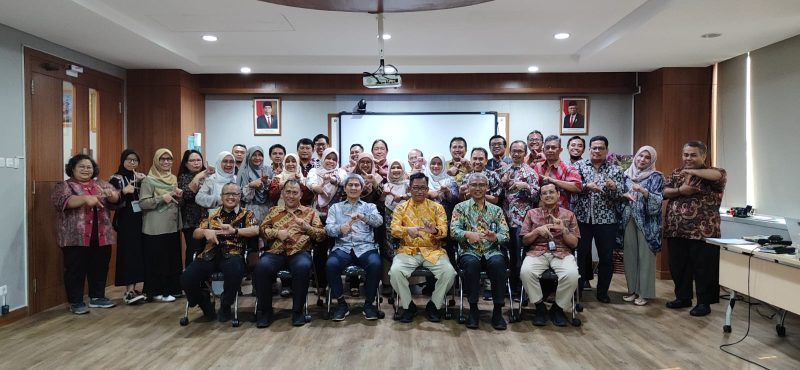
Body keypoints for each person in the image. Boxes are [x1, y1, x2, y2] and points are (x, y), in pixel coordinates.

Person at [663, 141, 726, 317]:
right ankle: (683, 298)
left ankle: (704, 303)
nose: (688, 158)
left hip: (703, 231)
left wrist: (692, 172)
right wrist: (681, 190)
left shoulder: (714, 173)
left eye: (693, 155)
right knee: (678, 266)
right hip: (676, 229)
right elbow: (664, 192)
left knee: (704, 269)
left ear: (703, 156)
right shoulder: (677, 173)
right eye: (686, 155)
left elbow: (718, 176)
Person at [181, 183, 259, 322]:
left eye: (234, 194)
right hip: (210, 253)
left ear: (239, 196)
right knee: (187, 277)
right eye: (227, 194)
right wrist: (206, 231)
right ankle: (204, 303)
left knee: (234, 272)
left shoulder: (247, 213)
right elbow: (195, 233)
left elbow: (255, 230)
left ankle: (225, 304)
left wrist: (235, 231)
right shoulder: (212, 214)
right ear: (221, 197)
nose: (230, 197)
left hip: (233, 254)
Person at [53, 154, 120, 314]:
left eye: (89, 167)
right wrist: (85, 199)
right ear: (73, 169)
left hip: (102, 234)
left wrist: (113, 196)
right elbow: (63, 201)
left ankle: (97, 297)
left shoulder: (101, 184)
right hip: (75, 237)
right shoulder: (64, 185)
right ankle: (76, 301)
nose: (85, 169)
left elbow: (116, 197)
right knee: (75, 269)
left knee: (100, 266)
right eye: (81, 166)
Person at [254, 179, 326, 327]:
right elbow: (261, 231)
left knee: (302, 267)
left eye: (295, 192)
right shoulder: (273, 211)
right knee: (261, 267)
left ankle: (297, 312)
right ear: (282, 194)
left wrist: (307, 227)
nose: (291, 196)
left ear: (301, 195)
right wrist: (276, 233)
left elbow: (321, 235)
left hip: (299, 252)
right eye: (288, 192)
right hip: (275, 252)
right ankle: (266, 312)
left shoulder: (310, 212)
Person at [389, 173, 456, 323]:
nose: (419, 191)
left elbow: (444, 231)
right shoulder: (401, 208)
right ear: (410, 189)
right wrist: (407, 231)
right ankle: (408, 306)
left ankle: (434, 305)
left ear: (427, 189)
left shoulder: (437, 208)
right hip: (408, 250)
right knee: (395, 272)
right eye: (416, 188)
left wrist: (434, 231)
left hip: (433, 250)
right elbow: (393, 229)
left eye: (423, 188)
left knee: (449, 273)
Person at [450, 173, 510, 330]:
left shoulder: (496, 210)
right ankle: (473, 310)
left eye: (481, 185)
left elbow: (506, 235)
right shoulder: (460, 208)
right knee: (471, 264)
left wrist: (494, 237)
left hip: (491, 250)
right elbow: (453, 231)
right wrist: (467, 234)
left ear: (487, 188)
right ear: (468, 188)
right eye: (474, 185)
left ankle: (497, 311)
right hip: (469, 250)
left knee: (498, 263)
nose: (478, 188)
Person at [324, 174, 384, 321]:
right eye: (350, 185)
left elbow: (379, 222)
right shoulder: (335, 208)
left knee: (376, 264)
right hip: (342, 248)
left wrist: (363, 216)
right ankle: (341, 304)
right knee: (331, 264)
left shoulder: (369, 206)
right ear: (344, 188)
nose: (353, 187)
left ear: (362, 188)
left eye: (357, 185)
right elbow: (328, 228)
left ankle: (369, 304)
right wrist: (339, 229)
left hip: (365, 247)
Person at [571, 136, 624, 303]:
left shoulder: (615, 170)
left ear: (606, 151)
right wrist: (587, 187)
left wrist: (614, 188)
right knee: (579, 256)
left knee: (606, 257)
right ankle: (576, 291)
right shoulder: (578, 166)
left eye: (601, 148)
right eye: (594, 148)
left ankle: (602, 292)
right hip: (582, 219)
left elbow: (621, 194)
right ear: (589, 150)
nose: (597, 151)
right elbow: (573, 188)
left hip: (607, 221)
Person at [520, 184, 580, 327]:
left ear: (558, 195)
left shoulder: (569, 215)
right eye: (544, 193)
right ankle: (540, 307)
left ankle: (557, 309)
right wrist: (536, 232)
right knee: (526, 272)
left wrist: (564, 230)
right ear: (540, 197)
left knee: (572, 275)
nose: (548, 195)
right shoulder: (531, 213)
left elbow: (574, 244)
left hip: (562, 252)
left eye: (551, 192)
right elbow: (524, 241)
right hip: (537, 252)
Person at [618, 146, 664, 307]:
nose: (642, 160)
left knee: (645, 257)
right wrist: (623, 195)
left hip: (646, 223)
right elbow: (619, 195)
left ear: (651, 161)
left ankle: (644, 293)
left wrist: (644, 191)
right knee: (630, 256)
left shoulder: (656, 176)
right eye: (640, 156)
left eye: (646, 157)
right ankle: (632, 290)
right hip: (628, 218)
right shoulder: (625, 175)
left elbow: (657, 201)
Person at [140, 148, 184, 302]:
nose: (166, 162)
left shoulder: (172, 178)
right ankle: (156, 291)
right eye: (162, 159)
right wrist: (161, 198)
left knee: (171, 259)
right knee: (157, 260)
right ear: (156, 161)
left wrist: (177, 194)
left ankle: (172, 289)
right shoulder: (148, 180)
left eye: (169, 159)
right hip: (155, 227)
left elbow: (174, 199)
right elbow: (143, 203)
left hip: (172, 225)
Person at [498, 140, 540, 294]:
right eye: (514, 151)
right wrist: (501, 184)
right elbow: (496, 196)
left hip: (522, 222)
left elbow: (537, 197)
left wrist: (526, 186)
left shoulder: (530, 172)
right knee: (503, 255)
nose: (516, 154)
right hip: (504, 220)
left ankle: (519, 289)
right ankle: (504, 287)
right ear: (510, 152)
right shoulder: (504, 171)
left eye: (520, 151)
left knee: (519, 256)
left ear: (525, 153)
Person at [109, 149, 147, 304]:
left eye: (135, 160)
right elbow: (111, 201)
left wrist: (145, 181)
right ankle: (128, 290)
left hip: (142, 219)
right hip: (126, 220)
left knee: (140, 253)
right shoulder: (116, 178)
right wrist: (123, 192)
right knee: (128, 253)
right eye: (129, 159)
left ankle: (136, 287)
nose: (132, 163)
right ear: (122, 160)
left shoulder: (140, 177)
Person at [177, 150, 210, 267]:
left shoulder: (209, 176)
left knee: (207, 250)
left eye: (198, 160)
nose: (196, 163)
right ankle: (191, 280)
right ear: (186, 164)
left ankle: (205, 281)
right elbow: (187, 195)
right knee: (193, 250)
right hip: (191, 221)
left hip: (208, 219)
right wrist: (197, 177)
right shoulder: (183, 177)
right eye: (192, 160)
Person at [534, 135, 582, 210]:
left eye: (553, 147)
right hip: (540, 212)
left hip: (561, 213)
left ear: (560, 150)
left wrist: (553, 181)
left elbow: (578, 187)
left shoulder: (568, 168)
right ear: (543, 150)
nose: (550, 150)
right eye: (547, 147)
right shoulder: (538, 166)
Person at [238, 146, 270, 224]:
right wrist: (251, 186)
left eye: (260, 155)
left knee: (266, 231)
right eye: (254, 155)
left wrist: (267, 184)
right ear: (249, 156)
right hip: (249, 208)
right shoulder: (244, 172)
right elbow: (240, 194)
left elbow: (272, 192)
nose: (257, 157)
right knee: (251, 231)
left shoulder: (268, 169)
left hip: (267, 208)